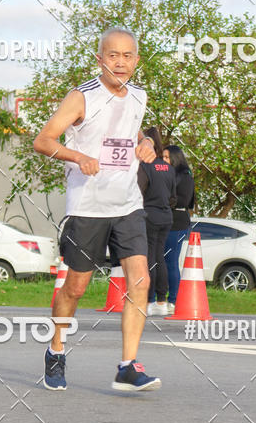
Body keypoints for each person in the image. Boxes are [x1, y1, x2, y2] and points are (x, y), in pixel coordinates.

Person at [33, 27, 161, 392]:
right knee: (76, 287)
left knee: (141, 280)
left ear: (136, 60)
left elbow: (133, 132)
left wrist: (147, 142)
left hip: (127, 204)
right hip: (88, 205)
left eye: (127, 56)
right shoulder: (81, 97)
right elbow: (42, 140)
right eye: (113, 55)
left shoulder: (139, 96)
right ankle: (56, 351)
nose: (120, 62)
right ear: (99, 58)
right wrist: (78, 156)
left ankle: (127, 366)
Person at [138, 127, 176, 316]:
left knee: (149, 258)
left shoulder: (145, 166)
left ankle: (149, 300)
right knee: (160, 257)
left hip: (149, 216)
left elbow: (139, 191)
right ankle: (162, 300)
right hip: (166, 216)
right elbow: (173, 198)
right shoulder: (168, 167)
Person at [163, 145, 195, 314]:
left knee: (171, 261)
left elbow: (183, 200)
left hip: (177, 222)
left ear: (175, 158)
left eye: (167, 157)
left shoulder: (185, 176)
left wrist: (164, 200)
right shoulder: (167, 174)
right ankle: (159, 297)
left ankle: (173, 299)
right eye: (163, 157)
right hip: (164, 220)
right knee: (160, 261)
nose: (164, 160)